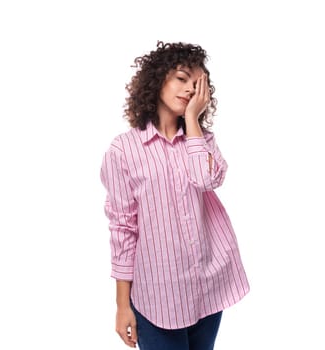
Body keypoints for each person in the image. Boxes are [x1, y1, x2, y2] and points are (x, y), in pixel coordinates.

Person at [100, 41, 249, 350]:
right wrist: (122, 305)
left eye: (197, 85)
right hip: (158, 297)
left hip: (207, 286)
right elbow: (123, 229)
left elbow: (207, 178)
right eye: (182, 79)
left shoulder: (202, 140)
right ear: (157, 81)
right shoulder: (123, 151)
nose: (188, 90)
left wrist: (192, 120)